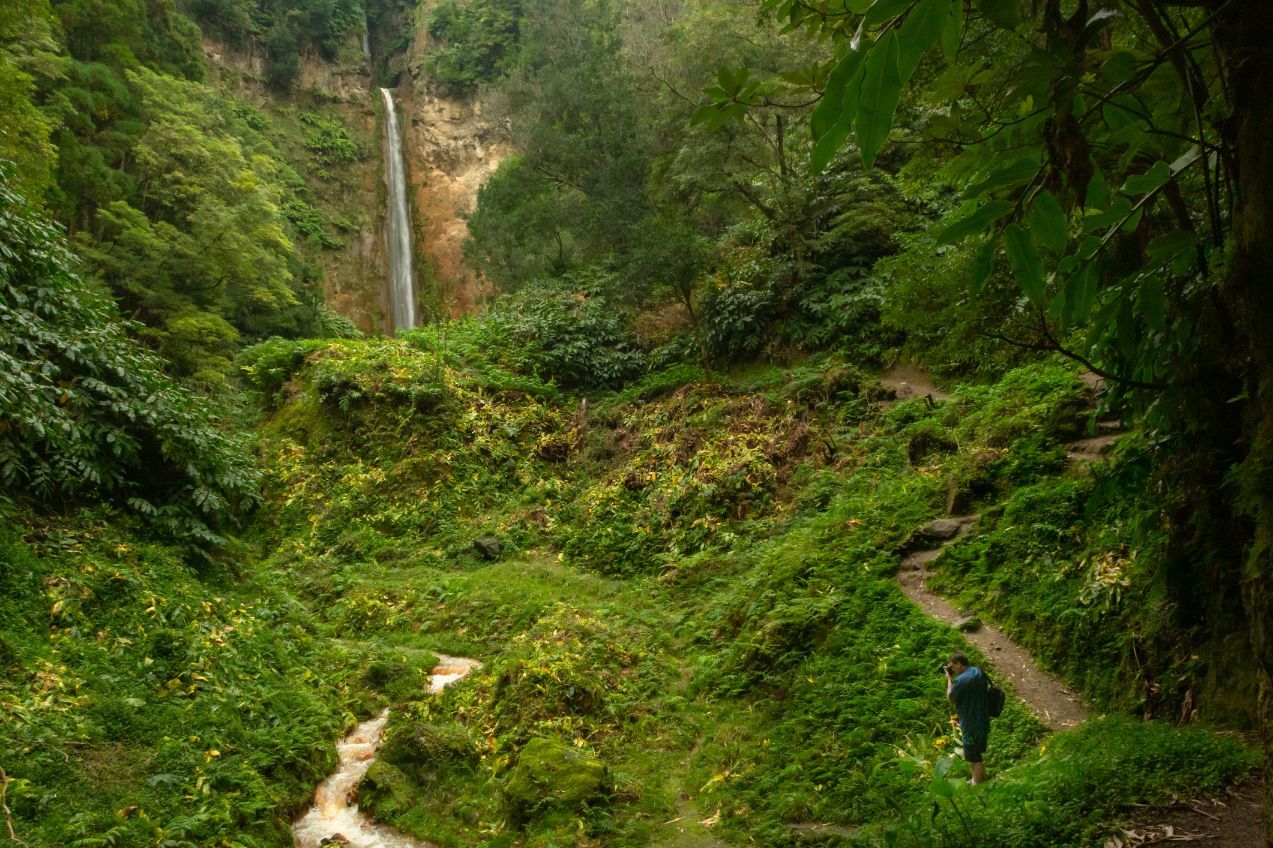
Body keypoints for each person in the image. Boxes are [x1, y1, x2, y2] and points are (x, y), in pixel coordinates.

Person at [944, 651, 989, 784]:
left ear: (958, 664)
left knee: (973, 756)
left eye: (952, 666)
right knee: (975, 752)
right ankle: (976, 778)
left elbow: (951, 698)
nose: (951, 669)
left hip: (970, 723)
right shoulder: (976, 671)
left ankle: (978, 784)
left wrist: (949, 679)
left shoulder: (961, 681)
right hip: (982, 718)